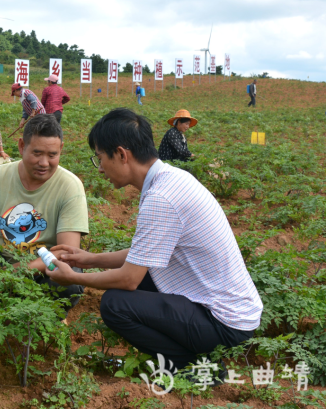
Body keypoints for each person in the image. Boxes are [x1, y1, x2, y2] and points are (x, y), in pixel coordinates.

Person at [48, 108, 262, 375]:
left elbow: (128, 279)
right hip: (228, 307)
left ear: (122, 154)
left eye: (100, 158)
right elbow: (143, 254)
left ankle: (189, 368)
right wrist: (88, 260)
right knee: (140, 280)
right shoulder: (170, 180)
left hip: (223, 322)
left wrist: (75, 278)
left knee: (115, 304)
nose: (100, 168)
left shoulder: (162, 197)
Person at [0, 114, 89, 312]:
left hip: (41, 267)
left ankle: (41, 317)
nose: (44, 163)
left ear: (61, 150)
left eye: (52, 155)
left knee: (68, 280)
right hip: (0, 260)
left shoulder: (70, 186)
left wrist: (14, 273)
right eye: (37, 153)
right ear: (22, 146)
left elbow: (66, 251)